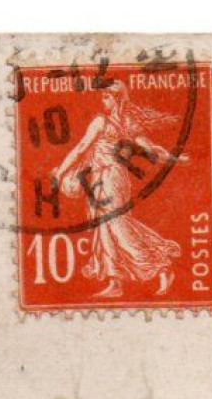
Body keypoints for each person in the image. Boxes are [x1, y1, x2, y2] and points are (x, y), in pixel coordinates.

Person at [51, 85, 188, 300]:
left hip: (110, 178)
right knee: (105, 227)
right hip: (107, 177)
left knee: (117, 224)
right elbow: (152, 149)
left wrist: (59, 173)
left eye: (106, 96)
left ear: (116, 99)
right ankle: (115, 282)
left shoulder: (102, 122)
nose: (102, 100)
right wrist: (174, 158)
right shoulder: (128, 124)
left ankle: (160, 265)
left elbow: (80, 148)